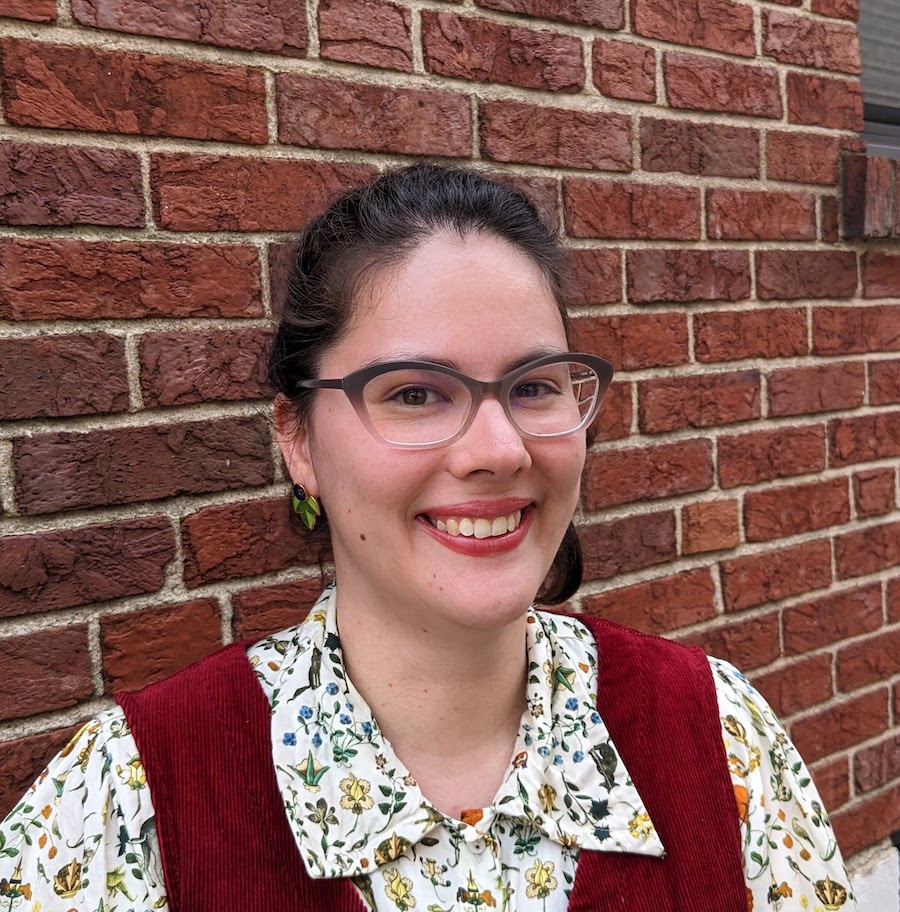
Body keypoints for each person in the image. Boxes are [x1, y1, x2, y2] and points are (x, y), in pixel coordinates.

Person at [0, 163, 857, 912]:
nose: (499, 451)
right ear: (297, 438)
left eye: (535, 386)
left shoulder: (720, 737)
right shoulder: (130, 804)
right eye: (414, 393)